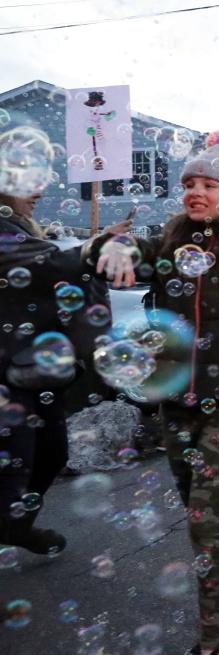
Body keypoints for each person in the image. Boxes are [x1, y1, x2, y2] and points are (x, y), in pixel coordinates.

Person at [95, 129, 219, 655]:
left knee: (205, 521)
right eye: (190, 183)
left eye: (210, 183)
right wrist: (107, 243)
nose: (196, 191)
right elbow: (125, 253)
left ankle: (214, 639)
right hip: (177, 396)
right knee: (198, 514)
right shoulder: (170, 240)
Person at [0, 189, 97, 556]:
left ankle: (15, 527)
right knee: (11, 469)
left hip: (34, 371)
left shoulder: (24, 228)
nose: (38, 191)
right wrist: (98, 248)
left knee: (52, 454)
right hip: (8, 374)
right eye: (26, 182)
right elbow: (56, 264)